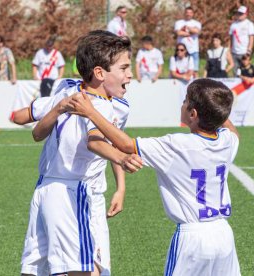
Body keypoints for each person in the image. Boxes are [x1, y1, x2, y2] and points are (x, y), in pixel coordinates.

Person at [66, 78, 241, 276]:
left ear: (193, 114)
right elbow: (233, 131)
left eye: (185, 101)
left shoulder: (177, 145)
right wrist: (218, 108)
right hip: (224, 234)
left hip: (193, 237)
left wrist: (91, 112)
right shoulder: (227, 141)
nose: (182, 104)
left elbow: (125, 145)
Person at [20, 30, 142, 276]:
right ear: (99, 73)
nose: (130, 75)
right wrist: (122, 157)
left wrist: (121, 187)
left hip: (51, 188)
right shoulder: (102, 105)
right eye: (124, 68)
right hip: (75, 191)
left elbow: (109, 141)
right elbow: (97, 142)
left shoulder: (68, 88)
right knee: (87, 270)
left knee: (41, 269)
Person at [228, 5, 254, 76]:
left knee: (245, 72)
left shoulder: (249, 24)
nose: (239, 15)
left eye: (241, 13)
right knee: (235, 72)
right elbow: (230, 39)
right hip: (234, 52)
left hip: (244, 52)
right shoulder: (233, 25)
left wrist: (249, 50)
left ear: (246, 14)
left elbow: (251, 38)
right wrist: (229, 50)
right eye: (239, 13)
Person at [174, 7, 201, 76]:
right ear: (184, 13)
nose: (188, 14)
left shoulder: (197, 23)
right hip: (181, 50)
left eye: (190, 13)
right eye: (187, 12)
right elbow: (178, 33)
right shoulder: (179, 23)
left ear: (193, 14)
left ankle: (197, 85)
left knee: (195, 71)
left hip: (193, 50)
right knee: (180, 71)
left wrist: (187, 28)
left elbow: (197, 31)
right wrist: (191, 33)